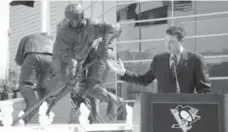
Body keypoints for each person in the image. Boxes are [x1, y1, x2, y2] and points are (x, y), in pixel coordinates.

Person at [46, 3, 127, 122]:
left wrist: (105, 44)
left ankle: (115, 104)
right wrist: (54, 101)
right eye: (70, 20)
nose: (73, 23)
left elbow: (116, 28)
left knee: (92, 86)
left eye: (76, 19)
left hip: (96, 55)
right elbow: (65, 55)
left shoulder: (93, 24)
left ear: (82, 16)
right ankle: (115, 101)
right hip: (79, 61)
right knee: (87, 90)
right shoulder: (63, 32)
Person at [108, 26, 211, 94]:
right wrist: (123, 72)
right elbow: (144, 80)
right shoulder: (159, 60)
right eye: (165, 41)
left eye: (172, 42)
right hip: (163, 110)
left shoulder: (196, 60)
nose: (167, 45)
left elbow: (204, 90)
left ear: (181, 42)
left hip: (186, 111)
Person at [15, 32, 53, 124]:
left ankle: (32, 103)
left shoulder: (27, 38)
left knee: (25, 84)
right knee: (43, 85)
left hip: (33, 54)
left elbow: (19, 60)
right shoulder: (51, 40)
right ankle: (45, 106)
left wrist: (25, 68)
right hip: (51, 58)